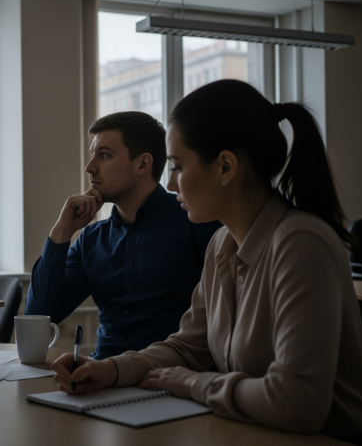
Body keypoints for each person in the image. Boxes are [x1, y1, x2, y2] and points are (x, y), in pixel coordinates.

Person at [51, 80, 362, 437]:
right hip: (259, 432)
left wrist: (197, 384)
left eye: (178, 167)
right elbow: (188, 348)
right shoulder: (222, 244)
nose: (171, 185)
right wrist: (111, 369)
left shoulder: (300, 243)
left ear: (226, 167)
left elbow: (299, 403)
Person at [25, 111, 221, 359]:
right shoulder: (91, 239)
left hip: (169, 380)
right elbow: (38, 317)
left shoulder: (195, 221)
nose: (90, 167)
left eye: (104, 155)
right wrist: (61, 231)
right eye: (92, 156)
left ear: (142, 164)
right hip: (99, 378)